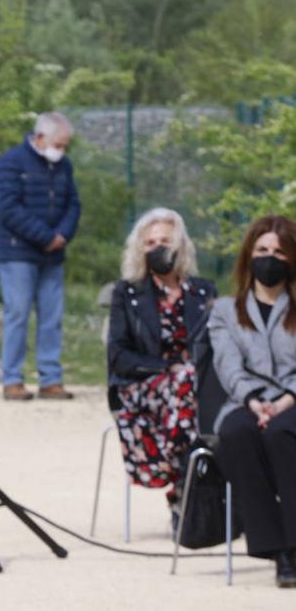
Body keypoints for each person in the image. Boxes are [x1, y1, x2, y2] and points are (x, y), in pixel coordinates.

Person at [106, 208, 215, 520]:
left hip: (193, 390)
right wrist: (168, 369)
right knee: (186, 384)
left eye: (165, 241)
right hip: (140, 387)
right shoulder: (127, 293)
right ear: (140, 248)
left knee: (193, 388)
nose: (158, 249)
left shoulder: (202, 291)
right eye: (151, 243)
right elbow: (118, 356)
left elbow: (214, 346)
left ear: (180, 245)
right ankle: (187, 484)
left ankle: (186, 489)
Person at [208, 214, 296, 588]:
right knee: (238, 434)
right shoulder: (225, 311)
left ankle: (294, 546)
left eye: (279, 251)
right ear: (249, 255)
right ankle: (273, 546)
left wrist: (287, 400)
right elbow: (228, 366)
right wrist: (255, 401)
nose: (269, 258)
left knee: (281, 435)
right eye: (262, 250)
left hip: (294, 402)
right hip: (244, 402)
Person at [0, 111, 81, 401]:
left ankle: (50, 378)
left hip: (52, 256)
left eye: (65, 145)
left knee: (52, 317)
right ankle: (12, 379)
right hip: (19, 252)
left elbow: (73, 204)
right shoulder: (11, 162)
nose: (62, 151)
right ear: (41, 138)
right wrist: (46, 237)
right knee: (17, 314)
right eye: (60, 144)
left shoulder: (63, 166)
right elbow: (8, 209)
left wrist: (62, 236)